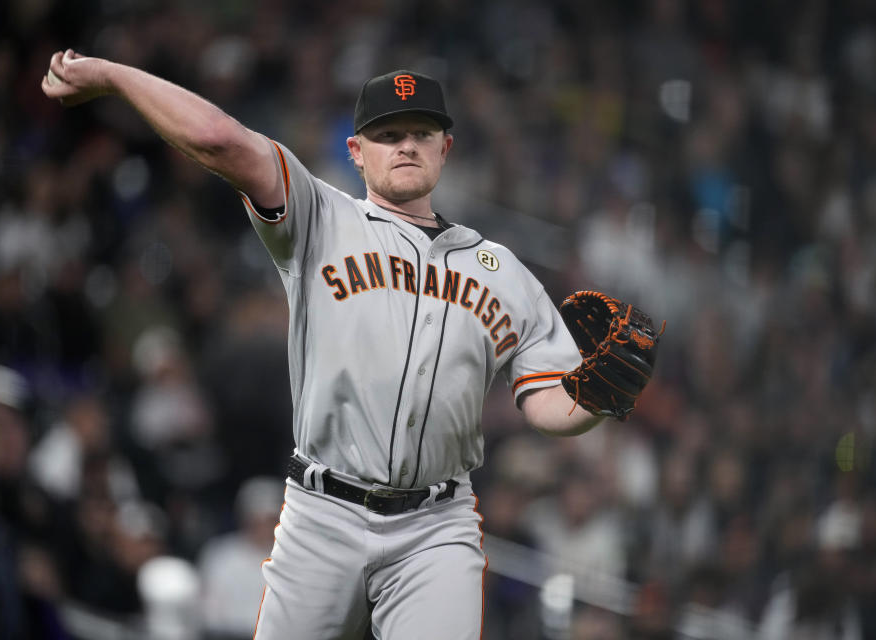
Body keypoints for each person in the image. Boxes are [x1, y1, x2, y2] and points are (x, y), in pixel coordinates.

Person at [42, 48, 606, 639]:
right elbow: (218, 139)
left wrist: (599, 400)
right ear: (357, 153)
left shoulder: (502, 271)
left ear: (447, 148)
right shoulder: (319, 216)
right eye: (388, 134)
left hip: (437, 528)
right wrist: (111, 77)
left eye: (422, 132)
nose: (407, 145)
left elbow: (548, 402)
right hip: (323, 512)